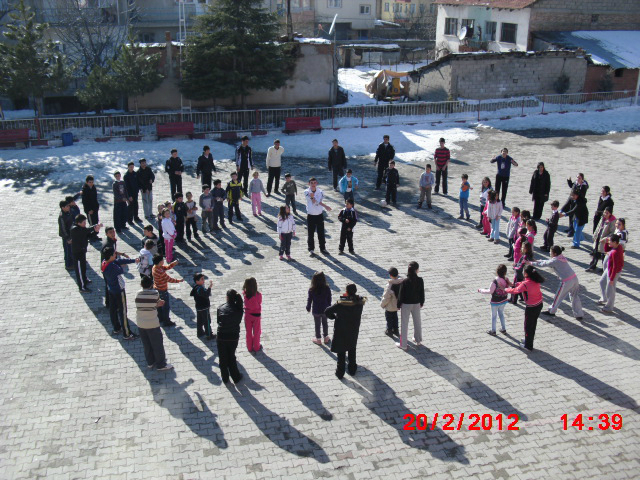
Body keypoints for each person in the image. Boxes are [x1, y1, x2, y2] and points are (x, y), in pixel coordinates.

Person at [529, 246, 583, 320]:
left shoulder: (555, 261)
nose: (549, 253)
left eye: (550, 252)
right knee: (574, 296)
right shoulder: (561, 257)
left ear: (554, 253)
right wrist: (537, 261)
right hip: (574, 278)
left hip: (566, 281)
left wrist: (531, 263)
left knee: (558, 296)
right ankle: (579, 314)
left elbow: (544, 264)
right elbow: (548, 261)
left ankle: (551, 311)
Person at [325, 283, 366, 379]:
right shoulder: (359, 302)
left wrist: (333, 317)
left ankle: (340, 372)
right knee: (352, 348)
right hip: (354, 329)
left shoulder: (341, 304)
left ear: (346, 292)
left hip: (341, 330)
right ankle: (352, 369)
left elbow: (327, 311)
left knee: (341, 351)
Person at [102, 246, 139, 340]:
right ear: (111, 256)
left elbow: (119, 262)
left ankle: (116, 328)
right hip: (119, 290)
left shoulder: (104, 263)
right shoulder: (113, 266)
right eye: (114, 254)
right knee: (123, 312)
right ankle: (127, 333)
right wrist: (122, 264)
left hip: (111, 290)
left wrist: (133, 260)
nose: (116, 255)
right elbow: (121, 269)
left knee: (113, 310)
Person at [136, 276, 173, 371]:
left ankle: (150, 362)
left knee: (146, 344)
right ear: (151, 284)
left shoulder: (137, 294)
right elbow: (157, 303)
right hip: (152, 323)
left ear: (141, 285)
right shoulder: (155, 293)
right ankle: (161, 364)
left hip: (140, 323)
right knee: (157, 344)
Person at [505, 265, 545, 352]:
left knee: (528, 326)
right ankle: (528, 340)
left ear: (526, 273)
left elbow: (516, 290)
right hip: (539, 305)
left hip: (531, 308)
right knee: (532, 325)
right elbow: (522, 285)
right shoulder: (535, 279)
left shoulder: (526, 284)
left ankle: (528, 346)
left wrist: (506, 289)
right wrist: (515, 284)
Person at [216, 289, 244, 384]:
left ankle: (225, 378)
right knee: (231, 356)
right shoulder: (239, 309)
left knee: (222, 357)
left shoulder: (220, 308)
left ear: (227, 298)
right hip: (233, 336)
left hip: (221, 336)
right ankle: (236, 377)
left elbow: (218, 321)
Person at [396, 261, 425, 350]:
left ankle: (403, 345)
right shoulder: (420, 280)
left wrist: (398, 305)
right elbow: (422, 293)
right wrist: (422, 302)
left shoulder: (405, 281)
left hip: (406, 305)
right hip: (416, 303)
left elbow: (401, 295)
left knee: (404, 324)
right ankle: (418, 340)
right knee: (417, 322)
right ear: (417, 270)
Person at [477, 264, 512, 336]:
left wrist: (481, 290)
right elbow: (511, 285)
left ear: (497, 272)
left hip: (495, 301)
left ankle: (493, 330)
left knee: (494, 316)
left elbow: (490, 291)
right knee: (501, 314)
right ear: (505, 272)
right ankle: (503, 329)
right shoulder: (506, 279)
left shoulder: (495, 281)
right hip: (503, 300)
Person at [71, 214, 102, 292]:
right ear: (79, 223)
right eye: (84, 222)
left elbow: (88, 236)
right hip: (77, 253)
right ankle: (82, 287)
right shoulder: (75, 229)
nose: (85, 224)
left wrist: (95, 231)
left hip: (82, 251)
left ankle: (84, 279)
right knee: (79, 271)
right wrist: (95, 226)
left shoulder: (82, 228)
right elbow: (85, 231)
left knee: (83, 268)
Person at [152, 254, 183, 327]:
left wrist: (173, 264)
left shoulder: (155, 267)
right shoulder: (160, 272)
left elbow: (166, 267)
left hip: (157, 288)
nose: (163, 261)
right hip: (162, 290)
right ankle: (166, 321)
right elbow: (169, 279)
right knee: (166, 306)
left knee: (159, 305)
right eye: (162, 260)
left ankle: (160, 318)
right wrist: (178, 280)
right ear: (160, 262)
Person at [305, 177, 332, 255]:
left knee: (321, 233)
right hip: (311, 215)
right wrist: (325, 206)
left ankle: (323, 248)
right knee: (311, 233)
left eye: (314, 183)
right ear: (309, 184)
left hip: (319, 215)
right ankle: (311, 249)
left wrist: (324, 206)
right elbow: (314, 202)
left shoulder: (320, 192)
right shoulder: (306, 191)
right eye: (311, 183)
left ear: (317, 183)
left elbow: (318, 201)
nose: (313, 184)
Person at [599, 234, 624, 314]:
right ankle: (604, 298)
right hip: (609, 269)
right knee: (602, 281)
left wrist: (612, 279)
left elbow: (615, 267)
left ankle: (609, 307)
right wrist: (605, 243)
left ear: (615, 242)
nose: (608, 242)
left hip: (614, 272)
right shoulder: (617, 246)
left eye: (610, 241)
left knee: (610, 290)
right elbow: (606, 249)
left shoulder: (615, 252)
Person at [306, 271, 332, 345]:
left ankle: (318, 339)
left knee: (317, 325)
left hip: (316, 310)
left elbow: (309, 299)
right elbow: (329, 298)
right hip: (325, 309)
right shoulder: (327, 288)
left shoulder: (312, 289)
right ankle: (326, 337)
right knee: (325, 323)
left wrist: (308, 307)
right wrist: (329, 306)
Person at [587, 207, 616, 272]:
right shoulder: (603, 218)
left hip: (604, 241)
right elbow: (598, 227)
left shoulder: (612, 220)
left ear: (610, 214)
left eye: (607, 213)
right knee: (595, 253)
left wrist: (606, 238)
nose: (605, 214)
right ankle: (593, 266)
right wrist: (595, 235)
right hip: (598, 238)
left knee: (603, 255)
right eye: (604, 212)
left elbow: (612, 232)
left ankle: (604, 269)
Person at [191, 273, 215, 340]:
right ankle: (209, 335)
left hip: (198, 308)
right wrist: (209, 287)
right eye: (202, 279)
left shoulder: (195, 287)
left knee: (200, 321)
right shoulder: (200, 289)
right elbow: (206, 295)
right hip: (204, 308)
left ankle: (200, 332)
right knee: (207, 321)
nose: (203, 280)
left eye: (203, 279)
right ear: (197, 281)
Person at [381, 267, 402, 337]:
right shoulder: (401, 282)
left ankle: (389, 330)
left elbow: (386, 298)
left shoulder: (389, 286)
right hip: (397, 305)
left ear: (390, 275)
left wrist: (382, 304)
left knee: (389, 318)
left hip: (390, 306)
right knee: (395, 317)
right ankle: (396, 330)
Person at [243, 277, 262, 353]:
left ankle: (249, 347)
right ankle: (256, 347)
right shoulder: (258, 295)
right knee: (256, 332)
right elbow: (260, 302)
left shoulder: (245, 294)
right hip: (256, 315)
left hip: (248, 315)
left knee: (248, 332)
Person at [81, 175, 100, 240]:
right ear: (87, 182)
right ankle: (91, 237)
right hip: (89, 210)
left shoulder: (93, 188)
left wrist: (97, 206)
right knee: (92, 224)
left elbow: (95, 198)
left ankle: (95, 235)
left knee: (96, 222)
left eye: (92, 182)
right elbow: (84, 202)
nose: (91, 183)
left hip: (95, 209)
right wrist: (88, 210)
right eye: (90, 182)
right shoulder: (85, 190)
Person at [59, 200, 74, 270]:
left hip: (71, 234)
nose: (69, 207)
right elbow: (63, 229)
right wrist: (68, 238)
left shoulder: (68, 213)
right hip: (66, 236)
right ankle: (68, 265)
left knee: (71, 250)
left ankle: (71, 262)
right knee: (67, 250)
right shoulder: (62, 216)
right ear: (63, 208)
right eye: (67, 206)